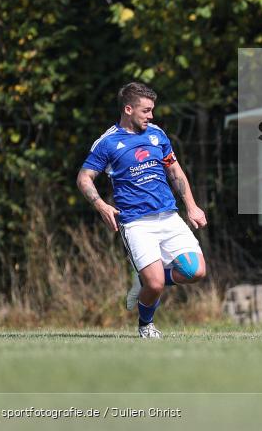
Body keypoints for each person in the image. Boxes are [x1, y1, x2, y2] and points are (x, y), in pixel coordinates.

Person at [76, 82, 207, 339]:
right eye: (146, 111)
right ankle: (146, 325)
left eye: (152, 110)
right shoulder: (108, 142)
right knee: (155, 284)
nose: (151, 116)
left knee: (196, 271)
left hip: (168, 216)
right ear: (128, 109)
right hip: (136, 223)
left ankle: (143, 280)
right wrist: (101, 205)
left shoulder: (157, 135)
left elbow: (175, 171)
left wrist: (191, 206)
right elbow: (84, 178)